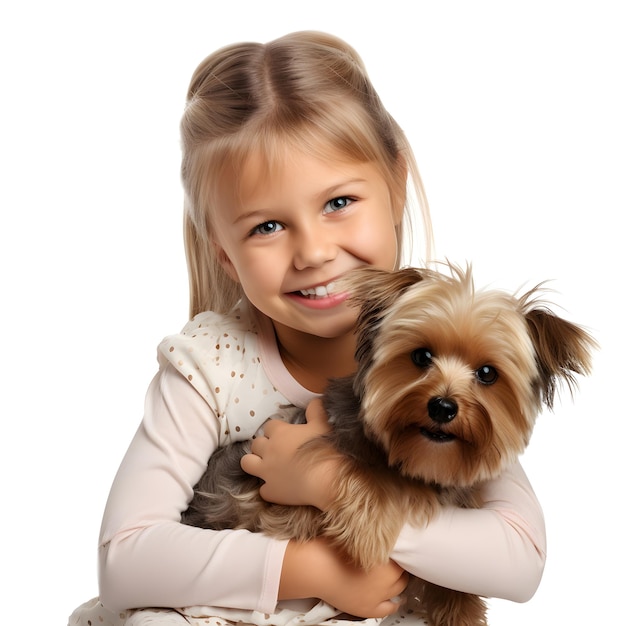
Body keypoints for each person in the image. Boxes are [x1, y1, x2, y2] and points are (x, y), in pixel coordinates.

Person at [69, 31, 546, 626]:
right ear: (222, 251)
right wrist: (312, 569)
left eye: (339, 202)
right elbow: (125, 561)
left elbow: (518, 563)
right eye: (267, 225)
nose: (314, 252)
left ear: (395, 185)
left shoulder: (442, 362)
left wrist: (332, 484)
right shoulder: (212, 367)